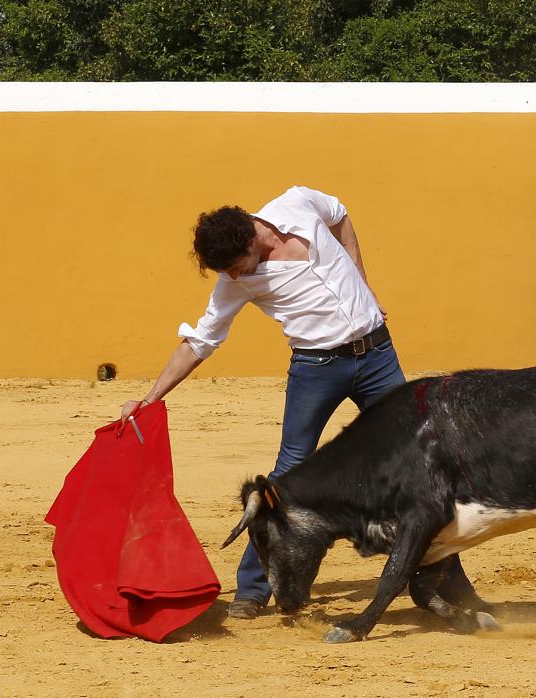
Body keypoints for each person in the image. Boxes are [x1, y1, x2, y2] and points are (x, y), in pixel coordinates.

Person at [119, 185, 479, 620]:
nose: (233, 277)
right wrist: (149, 397)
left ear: (253, 237)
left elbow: (341, 216)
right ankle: (253, 587)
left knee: (421, 465)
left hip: (377, 356)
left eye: (235, 267)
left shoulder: (297, 203)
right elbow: (201, 340)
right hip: (317, 368)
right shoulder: (235, 283)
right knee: (289, 470)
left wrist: (363, 281)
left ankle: (448, 582)